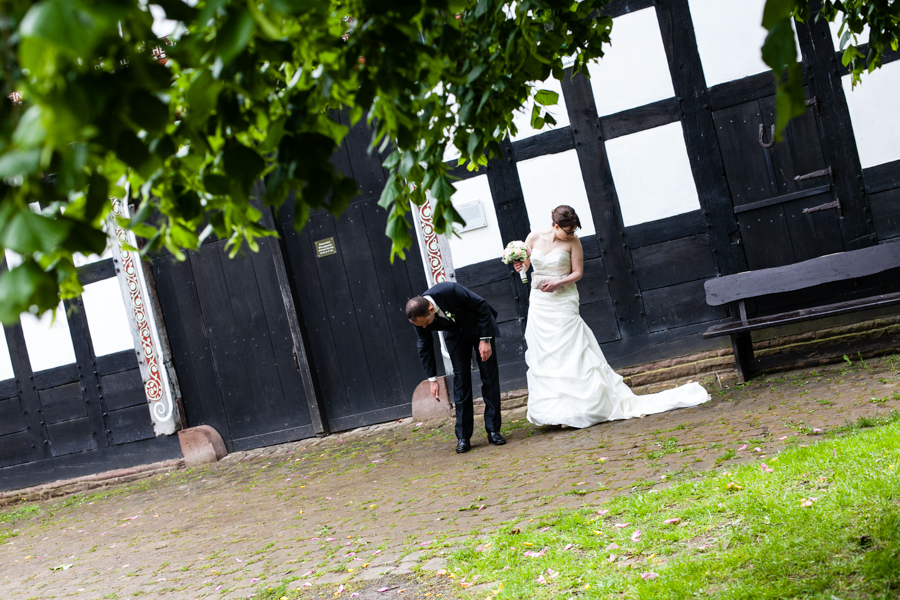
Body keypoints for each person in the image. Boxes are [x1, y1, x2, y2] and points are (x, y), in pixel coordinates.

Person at [514, 205, 710, 428]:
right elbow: (528, 264)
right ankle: (556, 412)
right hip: (540, 300)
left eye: (573, 231)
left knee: (569, 347)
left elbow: (577, 272)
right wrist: (520, 265)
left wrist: (559, 282)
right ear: (556, 226)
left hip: (563, 297)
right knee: (545, 350)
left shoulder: (573, 242)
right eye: (567, 231)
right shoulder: (534, 237)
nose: (571, 235)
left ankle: (583, 407)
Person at [406, 282, 506, 453]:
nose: (424, 327)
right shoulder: (419, 318)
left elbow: (481, 305)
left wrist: (485, 339)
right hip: (455, 336)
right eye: (420, 326)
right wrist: (432, 379)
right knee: (461, 381)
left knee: (489, 376)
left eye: (426, 323)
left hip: (478, 328)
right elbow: (425, 344)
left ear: (431, 309)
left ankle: (493, 430)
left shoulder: (449, 290)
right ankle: (463, 437)